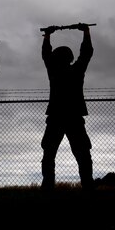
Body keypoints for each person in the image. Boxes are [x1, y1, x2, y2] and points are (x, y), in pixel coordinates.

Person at [41, 24, 94, 191]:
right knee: (83, 155)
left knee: (49, 155)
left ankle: (48, 187)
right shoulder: (77, 70)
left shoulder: (53, 71)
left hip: (57, 116)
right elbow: (86, 53)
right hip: (73, 117)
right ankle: (88, 186)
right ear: (70, 58)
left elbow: (45, 55)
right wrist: (86, 32)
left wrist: (48, 35)